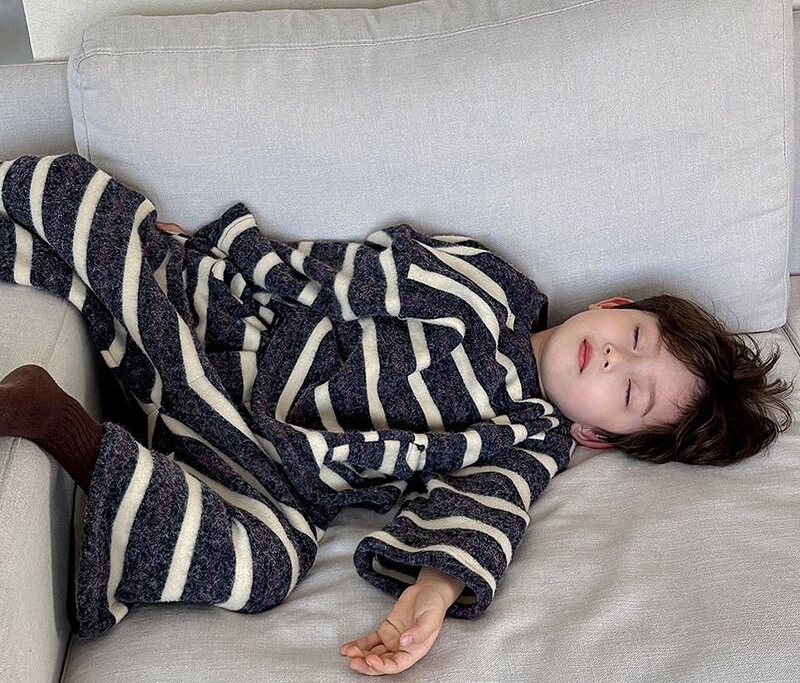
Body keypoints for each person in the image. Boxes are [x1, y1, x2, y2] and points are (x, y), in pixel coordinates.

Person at [0, 154, 794, 677]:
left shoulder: (528, 434)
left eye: (631, 395)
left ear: (595, 435)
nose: (616, 361)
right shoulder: (491, 283)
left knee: (262, 567)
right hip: (242, 333)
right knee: (75, 196)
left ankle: (69, 431)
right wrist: (225, 258)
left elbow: (486, 509)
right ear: (614, 306)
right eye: (635, 339)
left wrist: (433, 594)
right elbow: (349, 274)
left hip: (266, 457)